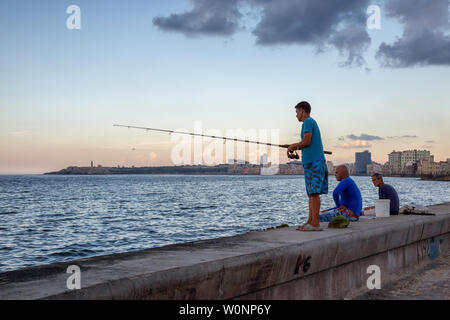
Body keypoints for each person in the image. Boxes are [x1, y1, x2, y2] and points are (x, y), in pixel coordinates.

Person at [282, 101, 328, 231]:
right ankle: (310, 221)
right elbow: (306, 143)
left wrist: (293, 146)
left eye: (297, 112)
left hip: (314, 162)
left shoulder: (308, 122)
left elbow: (306, 141)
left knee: (314, 193)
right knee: (311, 193)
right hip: (312, 162)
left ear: (303, 111)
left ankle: (315, 224)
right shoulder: (309, 123)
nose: (296, 115)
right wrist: (293, 145)